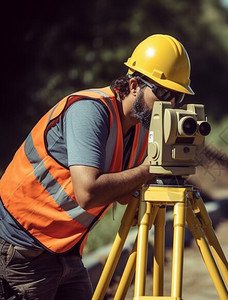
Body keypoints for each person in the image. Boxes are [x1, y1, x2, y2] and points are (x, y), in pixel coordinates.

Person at [0, 34, 194, 299]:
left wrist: (161, 166)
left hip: (66, 250)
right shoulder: (89, 112)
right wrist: (151, 169)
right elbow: (88, 193)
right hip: (23, 250)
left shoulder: (140, 127)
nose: (170, 104)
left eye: (177, 97)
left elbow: (123, 195)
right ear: (135, 84)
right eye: (163, 92)